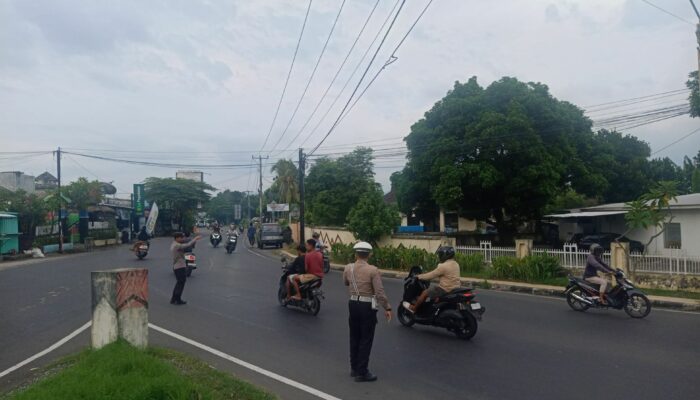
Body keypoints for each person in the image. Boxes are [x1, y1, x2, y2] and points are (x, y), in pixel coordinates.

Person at [343, 241, 391, 382]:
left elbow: (346, 283)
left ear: (356, 253)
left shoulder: (348, 268)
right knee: (366, 338)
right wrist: (387, 307)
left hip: (352, 303)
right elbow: (379, 292)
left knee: (354, 336)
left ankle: (354, 368)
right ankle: (362, 372)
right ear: (369, 254)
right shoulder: (373, 270)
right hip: (367, 305)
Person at [403, 246, 461, 313]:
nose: (440, 256)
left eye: (441, 254)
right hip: (455, 289)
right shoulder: (456, 264)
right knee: (434, 290)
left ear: (445, 255)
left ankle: (414, 308)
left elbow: (430, 275)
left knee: (425, 292)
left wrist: (419, 276)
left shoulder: (443, 266)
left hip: (445, 289)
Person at [170, 232, 201, 305]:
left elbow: (186, 243)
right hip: (179, 266)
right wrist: (195, 239)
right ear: (177, 238)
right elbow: (187, 245)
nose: (182, 239)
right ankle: (177, 299)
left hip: (177, 265)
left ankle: (174, 299)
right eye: (181, 237)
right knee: (181, 283)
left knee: (179, 283)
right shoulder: (177, 245)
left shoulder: (174, 243)